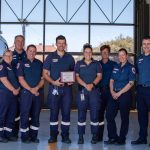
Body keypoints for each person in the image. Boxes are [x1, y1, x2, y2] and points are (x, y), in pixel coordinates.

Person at [43, 35, 75, 144]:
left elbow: (73, 74)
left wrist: (71, 80)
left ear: (65, 44)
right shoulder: (50, 57)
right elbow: (45, 73)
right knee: (54, 113)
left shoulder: (70, 58)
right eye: (59, 43)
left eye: (63, 43)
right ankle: (53, 135)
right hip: (54, 88)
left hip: (67, 90)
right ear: (56, 44)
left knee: (66, 113)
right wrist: (53, 82)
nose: (61, 45)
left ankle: (65, 136)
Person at [105, 48, 136, 145]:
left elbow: (131, 83)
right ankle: (113, 137)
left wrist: (119, 93)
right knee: (109, 116)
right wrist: (112, 91)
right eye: (119, 55)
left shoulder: (131, 67)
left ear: (126, 56)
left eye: (123, 55)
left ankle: (122, 139)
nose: (121, 57)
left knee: (124, 118)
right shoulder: (116, 66)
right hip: (114, 94)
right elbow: (111, 80)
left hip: (124, 95)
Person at [75, 43, 102, 144]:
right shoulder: (78, 64)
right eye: (86, 52)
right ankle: (80, 136)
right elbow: (76, 77)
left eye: (90, 52)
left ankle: (95, 136)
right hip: (82, 91)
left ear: (92, 53)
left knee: (94, 114)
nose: (88, 54)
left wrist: (92, 85)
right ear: (83, 53)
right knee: (81, 114)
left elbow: (99, 76)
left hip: (94, 91)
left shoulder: (97, 64)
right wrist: (86, 85)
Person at [17, 44, 44, 143]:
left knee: (35, 115)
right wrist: (30, 89)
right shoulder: (21, 63)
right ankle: (24, 137)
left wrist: (36, 88)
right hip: (26, 93)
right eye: (30, 51)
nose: (32, 53)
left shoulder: (40, 63)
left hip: (37, 93)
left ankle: (34, 136)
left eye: (34, 51)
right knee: (25, 114)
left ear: (36, 52)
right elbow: (20, 79)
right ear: (27, 51)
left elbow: (43, 79)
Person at [131, 36, 150, 145]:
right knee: (141, 116)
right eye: (144, 44)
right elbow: (136, 73)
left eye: (148, 44)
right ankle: (142, 138)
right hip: (141, 90)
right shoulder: (139, 58)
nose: (146, 46)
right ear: (142, 46)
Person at [0, 50, 20, 143]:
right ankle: (0, 135)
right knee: (2, 114)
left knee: (11, 115)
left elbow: (17, 79)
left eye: (11, 56)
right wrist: (13, 89)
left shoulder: (13, 66)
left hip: (14, 95)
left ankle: (8, 134)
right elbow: (4, 80)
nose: (9, 57)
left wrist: (18, 89)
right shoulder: (2, 66)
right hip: (5, 94)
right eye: (7, 56)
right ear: (3, 56)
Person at [97, 45, 116, 141]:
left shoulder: (114, 64)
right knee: (99, 115)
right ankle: (99, 136)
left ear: (109, 53)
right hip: (99, 92)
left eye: (106, 52)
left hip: (110, 92)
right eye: (103, 52)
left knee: (109, 115)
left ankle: (112, 137)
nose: (105, 53)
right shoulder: (97, 64)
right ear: (101, 53)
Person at [12, 35, 27, 139]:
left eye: (22, 41)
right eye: (18, 41)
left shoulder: (29, 54)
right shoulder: (9, 55)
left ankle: (26, 133)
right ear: (14, 42)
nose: (20, 43)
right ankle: (14, 133)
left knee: (26, 112)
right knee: (14, 112)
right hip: (14, 89)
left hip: (26, 88)